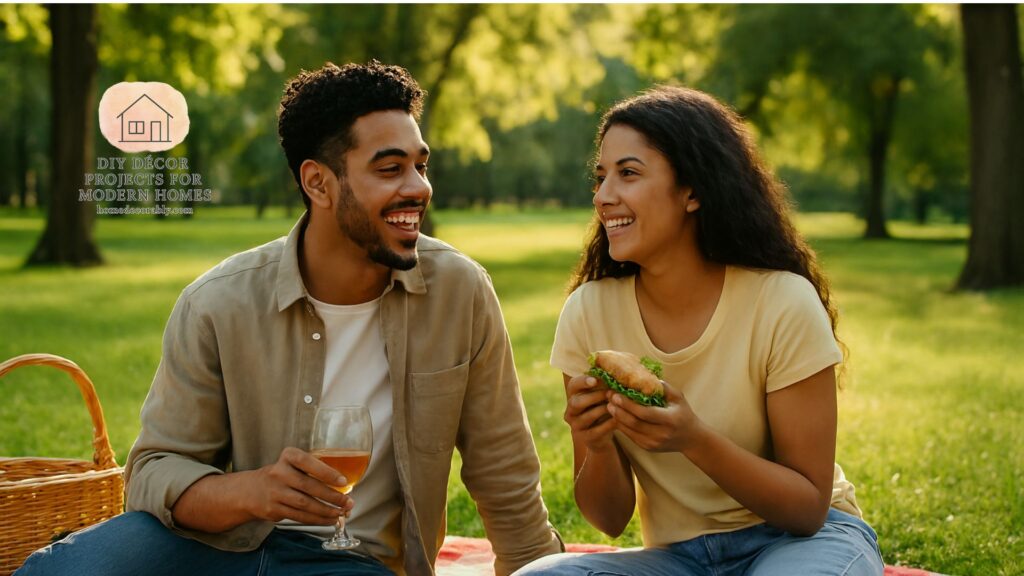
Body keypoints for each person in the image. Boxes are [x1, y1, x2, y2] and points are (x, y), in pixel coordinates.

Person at [17, 61, 562, 576]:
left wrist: (538, 568)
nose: (419, 187)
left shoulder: (459, 292)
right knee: (58, 570)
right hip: (217, 548)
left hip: (352, 561)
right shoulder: (218, 302)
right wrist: (253, 492)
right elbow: (155, 470)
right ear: (318, 183)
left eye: (420, 165)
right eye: (390, 169)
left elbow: (504, 475)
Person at [515, 86, 883, 576]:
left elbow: (807, 507)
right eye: (601, 177)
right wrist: (598, 444)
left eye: (628, 173)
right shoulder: (589, 313)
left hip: (802, 543)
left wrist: (693, 439)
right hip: (680, 559)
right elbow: (608, 519)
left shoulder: (782, 302)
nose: (603, 197)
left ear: (693, 191)